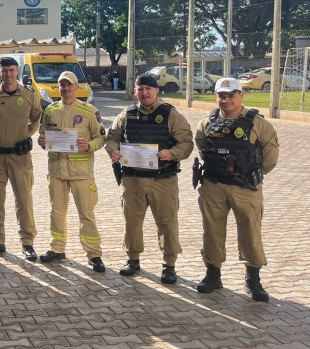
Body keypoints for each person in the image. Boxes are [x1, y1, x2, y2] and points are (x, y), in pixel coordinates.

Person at [194, 78, 279, 302]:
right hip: (213, 186)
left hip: (246, 187)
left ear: (241, 95)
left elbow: (270, 157)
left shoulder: (258, 123)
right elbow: (203, 147)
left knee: (250, 232)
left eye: (231, 95)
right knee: (212, 232)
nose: (226, 99)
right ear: (216, 97)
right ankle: (213, 275)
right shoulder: (207, 122)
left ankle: (253, 280)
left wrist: (250, 173)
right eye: (222, 95)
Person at [105, 74, 194, 282]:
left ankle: (169, 265)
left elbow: (187, 143)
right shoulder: (127, 114)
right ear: (134, 91)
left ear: (157, 91)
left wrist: (172, 154)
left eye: (148, 89)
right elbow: (112, 137)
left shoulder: (170, 114)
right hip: (132, 179)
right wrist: (113, 151)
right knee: (132, 222)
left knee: (167, 222)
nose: (144, 93)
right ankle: (133, 260)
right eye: (140, 89)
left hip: (162, 180)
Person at [37, 72, 106, 271]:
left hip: (81, 174)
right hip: (57, 171)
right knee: (56, 213)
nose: (65, 88)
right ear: (58, 88)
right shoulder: (50, 110)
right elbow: (43, 136)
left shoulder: (89, 111)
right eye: (62, 85)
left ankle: (94, 254)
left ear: (77, 87)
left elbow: (101, 138)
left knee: (86, 214)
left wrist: (89, 145)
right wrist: (42, 142)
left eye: (69, 85)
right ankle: (57, 248)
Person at [0, 57, 42, 260]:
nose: (8, 74)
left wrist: (26, 136)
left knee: (24, 201)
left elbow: (37, 117)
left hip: (20, 156)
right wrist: (0, 137)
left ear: (17, 71)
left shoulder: (28, 95)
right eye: (4, 71)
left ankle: (27, 242)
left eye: (11, 70)